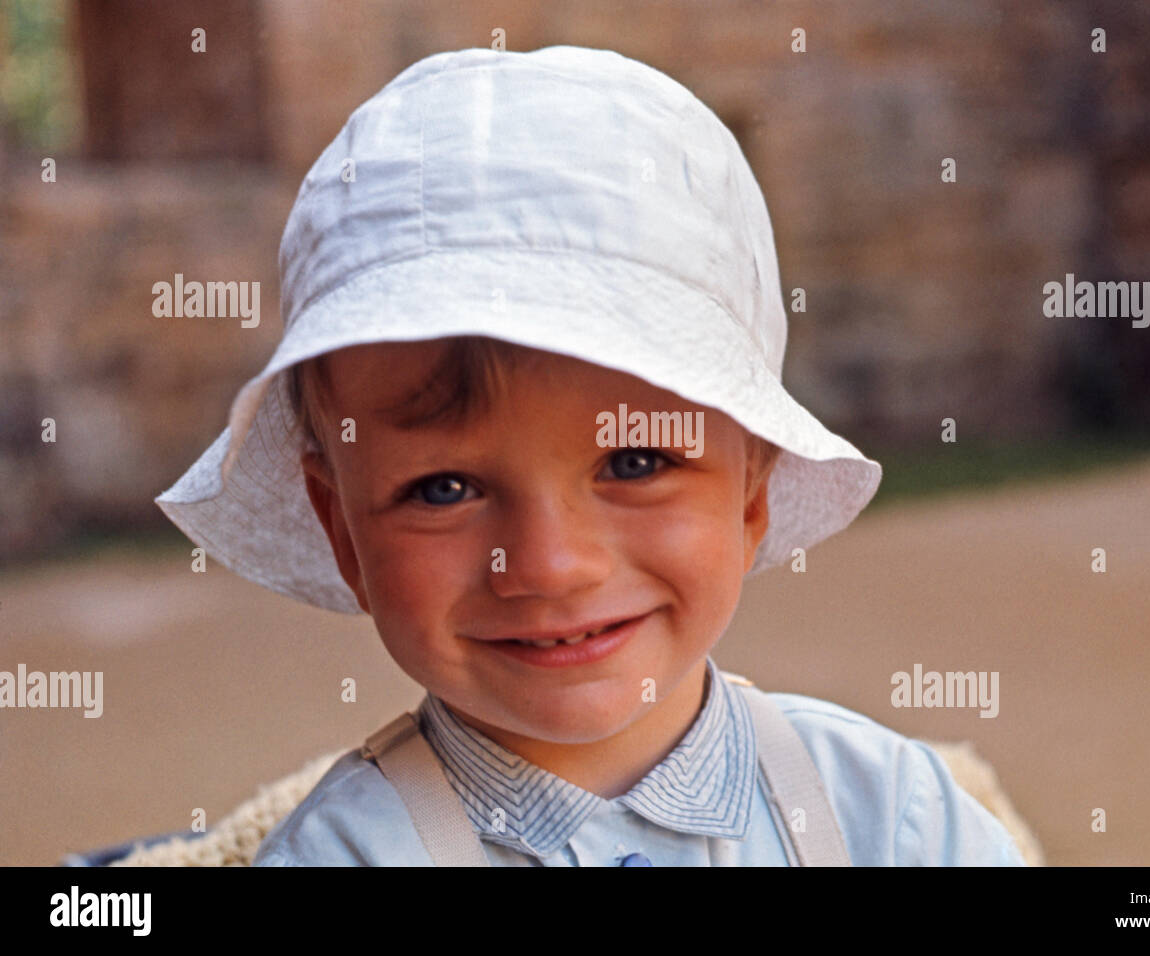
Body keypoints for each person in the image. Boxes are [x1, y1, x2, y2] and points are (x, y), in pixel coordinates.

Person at [156, 44, 1026, 866]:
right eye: (445, 487)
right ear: (341, 528)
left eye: (636, 463)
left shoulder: (890, 820)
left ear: (752, 489)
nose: (549, 565)